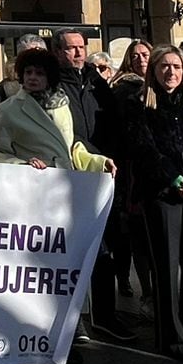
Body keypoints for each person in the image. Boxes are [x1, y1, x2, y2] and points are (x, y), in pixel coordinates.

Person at [119, 45, 183, 361]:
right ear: (153, 70)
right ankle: (172, 336)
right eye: (164, 66)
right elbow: (145, 151)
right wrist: (176, 181)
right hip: (163, 194)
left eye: (177, 67)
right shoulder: (138, 106)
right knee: (165, 263)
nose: (171, 73)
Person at [52, 27, 132, 342]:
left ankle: (105, 314)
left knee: (106, 247)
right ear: (58, 51)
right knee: (74, 248)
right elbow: (63, 132)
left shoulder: (97, 82)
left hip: (103, 172)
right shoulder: (54, 84)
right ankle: (75, 318)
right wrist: (92, 155)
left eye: (81, 47)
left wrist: (111, 157)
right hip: (71, 174)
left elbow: (112, 122)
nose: (78, 53)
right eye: (71, 48)